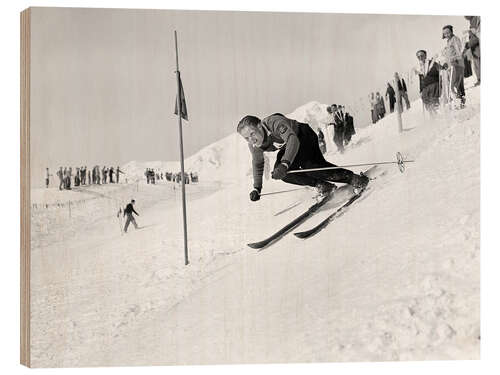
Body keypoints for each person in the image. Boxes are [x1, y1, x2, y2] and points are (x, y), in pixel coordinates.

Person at [236, 113, 369, 201]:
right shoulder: (254, 145)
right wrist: (257, 188)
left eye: (252, 134)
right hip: (289, 147)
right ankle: (323, 185)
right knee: (283, 174)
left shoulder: (273, 123)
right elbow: (258, 164)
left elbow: (292, 139)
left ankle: (354, 179)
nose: (251, 139)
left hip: (303, 136)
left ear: (260, 126)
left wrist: (284, 164)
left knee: (311, 167)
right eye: (246, 138)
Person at [441, 24, 465, 106]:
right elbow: (449, 54)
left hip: (457, 64)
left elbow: (459, 52)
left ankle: (461, 101)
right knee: (453, 85)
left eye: (448, 32)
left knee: (456, 84)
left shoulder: (455, 39)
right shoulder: (449, 41)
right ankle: (459, 102)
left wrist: (453, 58)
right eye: (445, 33)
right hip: (451, 65)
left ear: (451, 31)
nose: (446, 35)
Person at [413, 49, 440, 114]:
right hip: (425, 87)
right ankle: (433, 115)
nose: (420, 58)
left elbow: (439, 68)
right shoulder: (420, 68)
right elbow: (421, 80)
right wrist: (421, 90)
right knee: (425, 99)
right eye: (418, 57)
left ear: (425, 56)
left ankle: (436, 111)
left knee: (433, 100)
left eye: (422, 56)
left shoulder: (431, 62)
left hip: (433, 83)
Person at [464, 16, 480, 86]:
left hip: (477, 50)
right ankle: (479, 79)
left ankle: (480, 80)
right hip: (475, 50)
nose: (465, 16)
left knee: (478, 66)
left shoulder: (475, 20)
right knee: (477, 66)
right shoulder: (473, 21)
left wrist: (467, 45)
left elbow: (475, 39)